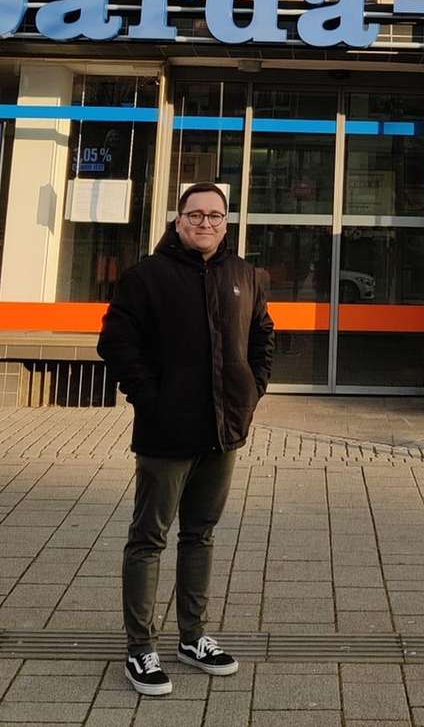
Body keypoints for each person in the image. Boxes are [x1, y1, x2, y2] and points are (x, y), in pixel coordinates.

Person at [97, 183, 274, 696]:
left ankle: (193, 638)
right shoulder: (146, 277)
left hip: (224, 431)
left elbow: (263, 337)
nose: (205, 223)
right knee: (148, 538)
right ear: (178, 221)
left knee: (201, 535)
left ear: (226, 223)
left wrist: (251, 391)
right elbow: (116, 343)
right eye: (195, 215)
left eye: (214, 216)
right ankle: (140, 648)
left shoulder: (245, 276)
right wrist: (150, 398)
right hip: (166, 432)